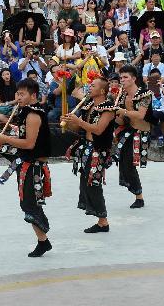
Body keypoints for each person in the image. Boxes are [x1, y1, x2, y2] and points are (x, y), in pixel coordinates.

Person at [0, 78, 53, 257]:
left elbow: (28, 143)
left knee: (30, 204)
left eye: (22, 94)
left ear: (33, 95)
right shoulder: (26, 113)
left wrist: (5, 139)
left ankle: (43, 241)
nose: (18, 97)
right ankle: (43, 241)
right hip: (26, 162)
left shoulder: (33, 115)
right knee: (28, 203)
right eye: (17, 93)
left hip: (33, 166)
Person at [62, 76, 116, 233]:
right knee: (87, 181)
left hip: (98, 149)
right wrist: (69, 121)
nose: (89, 88)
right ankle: (101, 220)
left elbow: (98, 129)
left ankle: (103, 221)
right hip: (87, 147)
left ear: (102, 90)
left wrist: (77, 121)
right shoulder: (90, 105)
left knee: (94, 183)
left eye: (93, 86)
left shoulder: (108, 108)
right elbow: (80, 128)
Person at [113, 64, 151, 209]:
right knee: (123, 162)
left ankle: (139, 197)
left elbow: (141, 115)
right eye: (121, 77)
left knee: (129, 163)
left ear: (134, 78)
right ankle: (138, 195)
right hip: (127, 131)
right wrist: (112, 114)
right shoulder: (121, 95)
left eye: (125, 77)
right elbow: (121, 119)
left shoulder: (145, 93)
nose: (122, 80)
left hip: (141, 133)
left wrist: (123, 110)